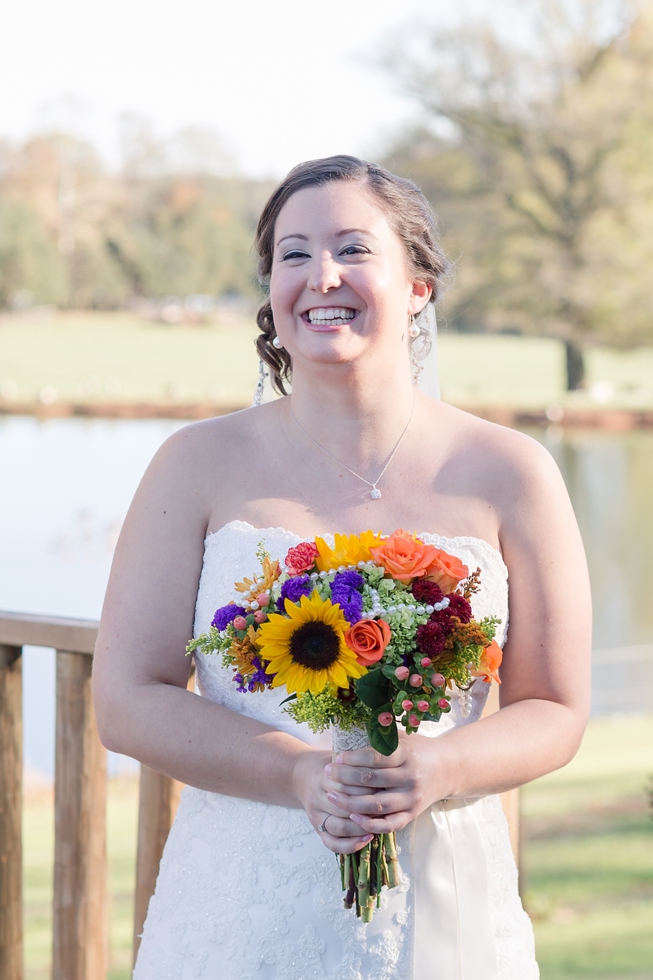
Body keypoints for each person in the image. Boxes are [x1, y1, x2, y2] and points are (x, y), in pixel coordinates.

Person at [93, 155, 591, 979]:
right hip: (238, 909)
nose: (320, 275)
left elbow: (557, 707)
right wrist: (298, 776)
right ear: (272, 289)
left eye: (353, 249)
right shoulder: (193, 464)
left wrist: (440, 766)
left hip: (442, 903)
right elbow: (126, 700)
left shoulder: (510, 470)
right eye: (293, 254)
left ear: (418, 286)